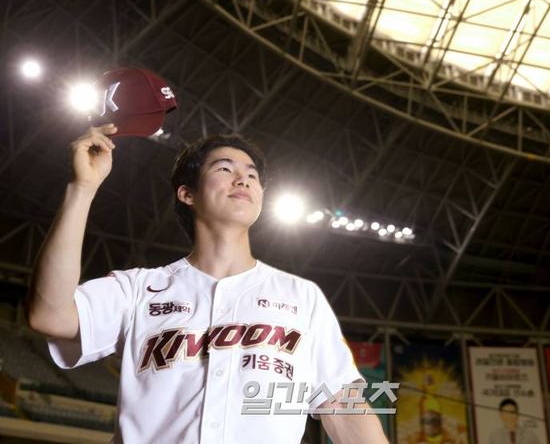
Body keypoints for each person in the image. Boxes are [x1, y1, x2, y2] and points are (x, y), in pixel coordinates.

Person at [26, 124, 389, 443]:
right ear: (187, 193)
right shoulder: (139, 289)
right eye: (225, 169)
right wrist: (82, 188)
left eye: (252, 175)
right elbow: (49, 315)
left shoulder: (301, 297)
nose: (243, 180)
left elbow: (344, 407)